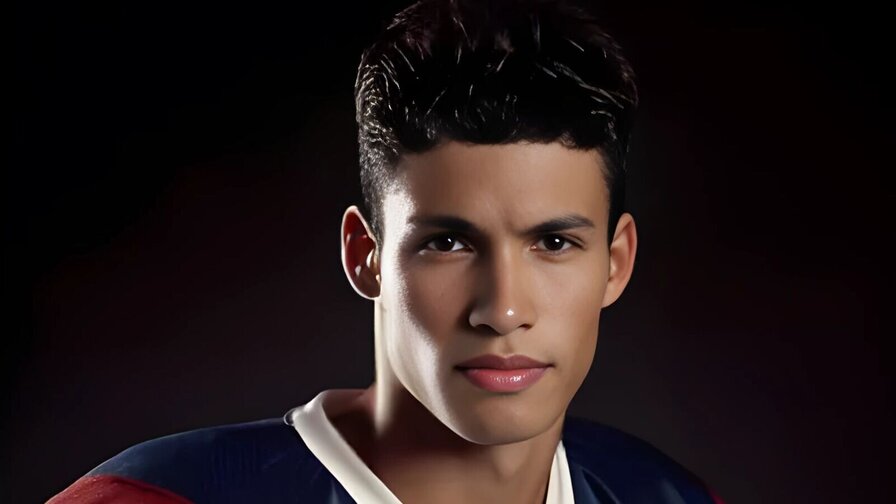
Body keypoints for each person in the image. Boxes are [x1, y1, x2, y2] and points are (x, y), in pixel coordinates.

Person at [49, 0, 724, 502]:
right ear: (364, 253)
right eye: (448, 242)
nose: (503, 310)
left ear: (615, 262)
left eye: (553, 242)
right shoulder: (154, 500)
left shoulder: (670, 497)